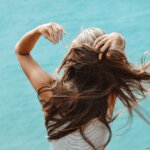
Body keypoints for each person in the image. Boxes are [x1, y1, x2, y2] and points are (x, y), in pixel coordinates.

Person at [15, 22, 150, 150]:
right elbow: (113, 63)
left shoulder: (52, 95)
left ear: (73, 55)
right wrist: (120, 40)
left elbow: (22, 52)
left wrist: (38, 31)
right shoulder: (107, 95)